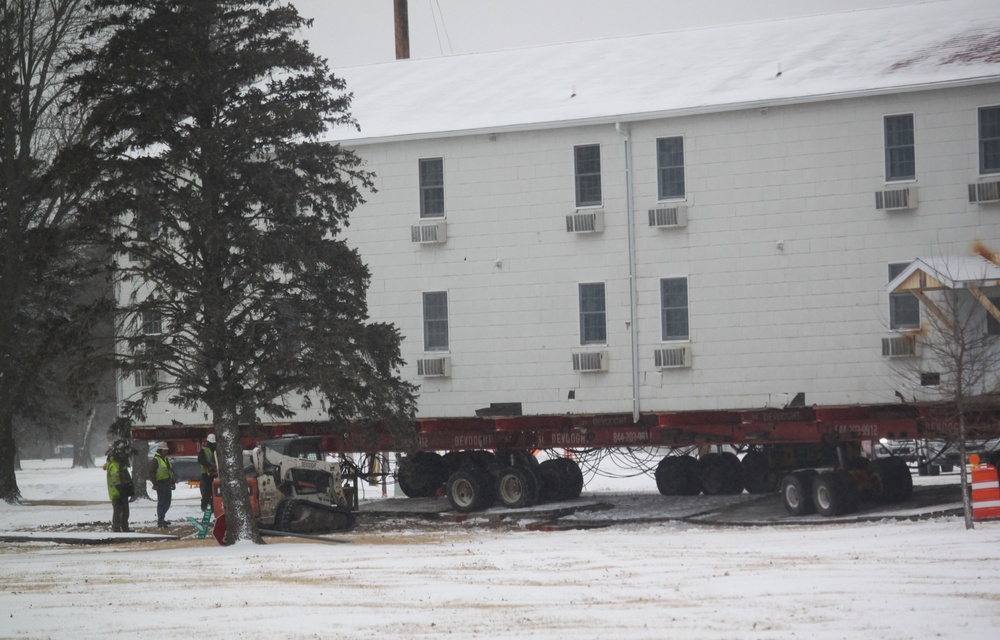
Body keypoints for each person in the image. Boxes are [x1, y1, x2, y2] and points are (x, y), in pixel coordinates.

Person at [103, 447, 134, 533]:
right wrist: (121, 489)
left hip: (117, 491)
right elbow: (116, 479)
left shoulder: (116, 464)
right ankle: (117, 528)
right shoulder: (114, 465)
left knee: (123, 511)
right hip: (117, 492)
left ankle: (123, 527)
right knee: (120, 511)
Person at [149, 442, 176, 527]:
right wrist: (155, 483)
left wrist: (172, 482)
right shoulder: (156, 460)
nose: (166, 452)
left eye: (166, 450)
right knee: (162, 502)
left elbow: (170, 471)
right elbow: (151, 473)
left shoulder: (166, 459)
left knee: (167, 502)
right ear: (160, 450)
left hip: (167, 483)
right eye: (164, 450)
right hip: (160, 484)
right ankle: (160, 520)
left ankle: (162, 517)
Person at [198, 434, 218, 512]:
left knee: (214, 492)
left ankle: (213, 508)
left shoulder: (215, 451)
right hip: (206, 474)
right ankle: (204, 508)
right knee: (206, 493)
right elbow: (200, 460)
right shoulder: (204, 450)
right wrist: (209, 465)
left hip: (214, 474)